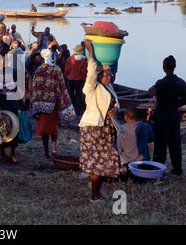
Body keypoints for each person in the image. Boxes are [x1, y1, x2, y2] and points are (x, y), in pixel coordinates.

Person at [79, 39, 120, 202]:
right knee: (96, 165)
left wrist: (115, 109)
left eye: (110, 75)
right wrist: (91, 52)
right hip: (93, 129)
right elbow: (91, 71)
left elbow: (117, 102)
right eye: (106, 75)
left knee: (106, 162)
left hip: (106, 129)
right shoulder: (91, 87)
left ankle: (97, 188)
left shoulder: (108, 87)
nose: (108, 77)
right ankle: (94, 197)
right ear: (98, 76)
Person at [31, 49, 76, 157]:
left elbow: (35, 88)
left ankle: (46, 152)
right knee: (53, 128)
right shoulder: (57, 69)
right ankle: (54, 150)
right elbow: (62, 87)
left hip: (42, 106)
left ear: (42, 57)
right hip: (54, 105)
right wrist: (63, 102)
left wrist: (35, 104)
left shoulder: (39, 70)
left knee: (44, 130)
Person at [148, 55, 186, 175]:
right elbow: (185, 99)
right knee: (175, 143)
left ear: (164, 68)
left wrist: (157, 86)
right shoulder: (181, 82)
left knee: (160, 143)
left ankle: (158, 168)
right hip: (174, 114)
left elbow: (150, 93)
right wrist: (176, 104)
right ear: (174, 67)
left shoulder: (161, 83)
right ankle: (177, 169)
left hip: (162, 114)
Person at [117, 107, 155, 172]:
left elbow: (118, 148)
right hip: (143, 162)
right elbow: (151, 139)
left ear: (126, 117)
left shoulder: (121, 130)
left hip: (126, 163)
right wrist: (148, 121)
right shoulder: (146, 127)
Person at [64, 44, 88, 116]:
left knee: (70, 95)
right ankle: (77, 111)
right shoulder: (83, 60)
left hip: (70, 79)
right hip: (79, 80)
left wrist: (67, 75)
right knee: (78, 95)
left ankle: (71, 111)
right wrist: (83, 77)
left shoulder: (70, 59)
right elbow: (84, 72)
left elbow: (66, 69)